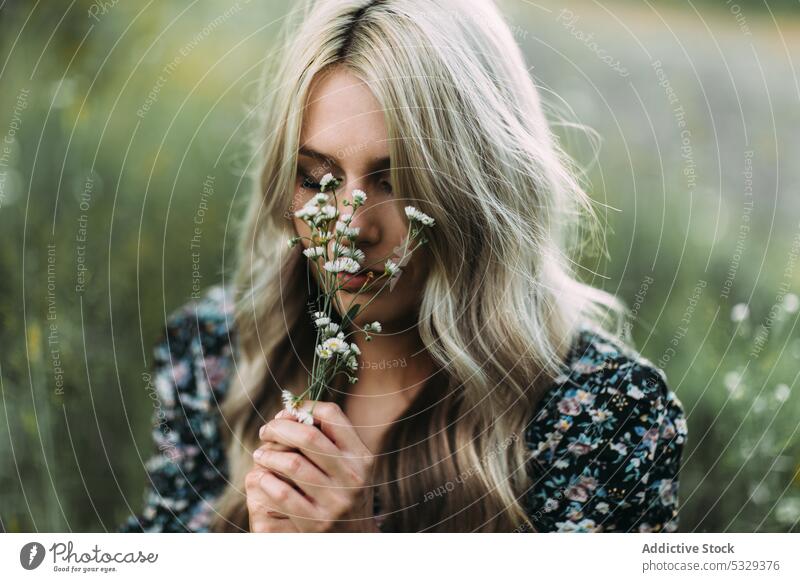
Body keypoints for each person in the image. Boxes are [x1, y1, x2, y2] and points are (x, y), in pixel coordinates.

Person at [121, 0, 687, 533]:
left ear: (481, 184)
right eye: (318, 181)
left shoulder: (605, 413)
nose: (352, 227)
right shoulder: (218, 352)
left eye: (399, 182)